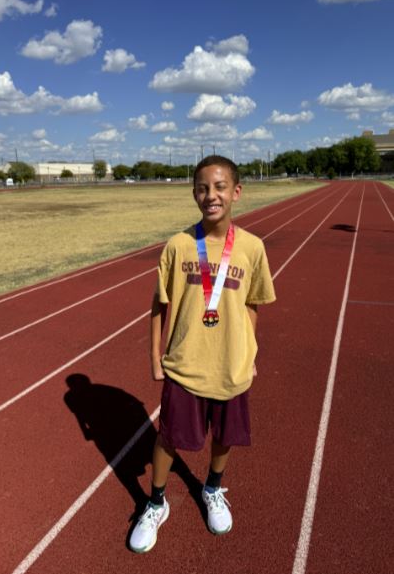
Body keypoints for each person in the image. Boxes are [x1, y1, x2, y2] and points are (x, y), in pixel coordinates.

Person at [129, 155, 276, 553]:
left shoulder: (251, 248)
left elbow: (253, 305)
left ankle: (212, 488)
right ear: (193, 192)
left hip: (231, 364)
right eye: (202, 187)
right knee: (169, 438)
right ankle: (156, 502)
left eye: (219, 187)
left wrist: (251, 351)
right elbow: (159, 306)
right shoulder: (178, 246)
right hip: (185, 364)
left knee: (225, 436)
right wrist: (154, 359)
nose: (210, 195)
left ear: (236, 192)